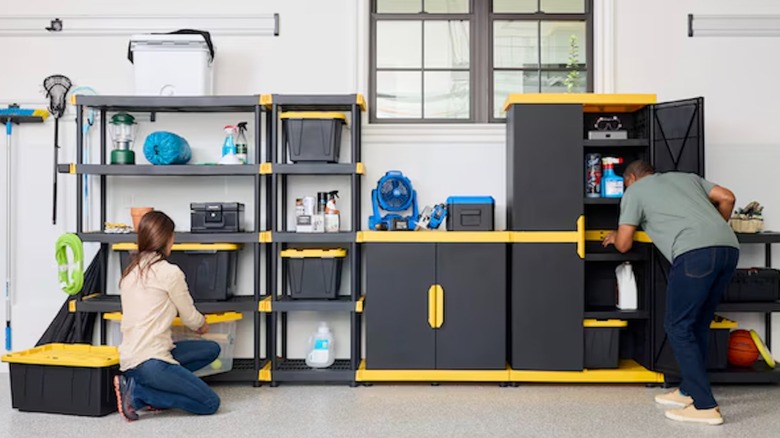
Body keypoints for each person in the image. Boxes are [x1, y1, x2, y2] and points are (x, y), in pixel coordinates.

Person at [602, 160, 739, 426]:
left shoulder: (635, 192)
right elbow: (727, 197)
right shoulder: (687, 178)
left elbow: (623, 244)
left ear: (631, 178)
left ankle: (705, 405)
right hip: (728, 248)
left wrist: (613, 235)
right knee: (697, 323)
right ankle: (688, 390)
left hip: (694, 255)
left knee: (677, 326)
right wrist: (710, 229)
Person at [113, 210, 221, 421]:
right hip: (152, 362)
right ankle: (139, 395)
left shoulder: (130, 273)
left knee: (211, 349)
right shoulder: (169, 273)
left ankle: (144, 386)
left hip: (131, 360)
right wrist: (201, 324)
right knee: (209, 403)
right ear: (166, 239)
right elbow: (191, 318)